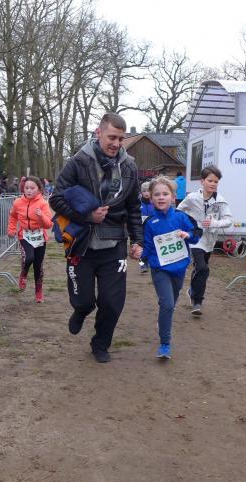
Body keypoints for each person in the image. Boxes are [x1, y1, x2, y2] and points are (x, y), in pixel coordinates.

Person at [49, 112, 143, 364]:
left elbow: (134, 207)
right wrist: (87, 216)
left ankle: (100, 343)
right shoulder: (78, 162)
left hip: (114, 243)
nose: (116, 144)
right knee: (84, 300)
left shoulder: (129, 167)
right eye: (112, 137)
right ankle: (81, 310)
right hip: (82, 243)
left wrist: (137, 240)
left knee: (112, 303)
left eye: (121, 139)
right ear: (98, 133)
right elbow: (55, 199)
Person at [138, 177, 201, 359]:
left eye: (165, 194)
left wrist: (187, 234)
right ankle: (165, 344)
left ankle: (163, 316)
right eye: (157, 194)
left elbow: (197, 233)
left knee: (170, 304)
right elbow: (146, 246)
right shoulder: (149, 222)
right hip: (159, 270)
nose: (161, 197)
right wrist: (140, 254)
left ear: (173, 197)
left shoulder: (181, 217)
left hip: (179, 269)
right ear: (151, 198)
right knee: (167, 304)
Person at [177, 165, 232, 316]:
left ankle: (192, 290)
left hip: (210, 240)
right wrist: (187, 225)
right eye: (210, 181)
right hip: (195, 239)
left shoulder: (220, 201)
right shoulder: (192, 198)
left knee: (202, 269)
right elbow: (179, 211)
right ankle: (197, 302)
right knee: (202, 268)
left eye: (216, 181)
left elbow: (228, 220)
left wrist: (215, 223)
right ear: (202, 181)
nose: (213, 184)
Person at [7, 176, 53, 303]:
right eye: (26, 188)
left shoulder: (43, 203)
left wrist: (41, 216)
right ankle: (24, 273)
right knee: (29, 257)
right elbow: (13, 216)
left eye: (32, 188)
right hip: (24, 236)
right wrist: (11, 230)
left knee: (38, 266)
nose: (29, 190)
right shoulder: (18, 202)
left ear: (39, 189)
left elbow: (48, 224)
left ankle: (38, 291)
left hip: (39, 237)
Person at [139, 181, 155, 273]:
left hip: (152, 229)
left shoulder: (155, 203)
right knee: (141, 247)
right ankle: (142, 265)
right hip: (141, 229)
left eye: (148, 191)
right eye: (144, 191)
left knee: (151, 246)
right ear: (141, 192)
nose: (146, 193)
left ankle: (150, 263)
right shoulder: (138, 203)